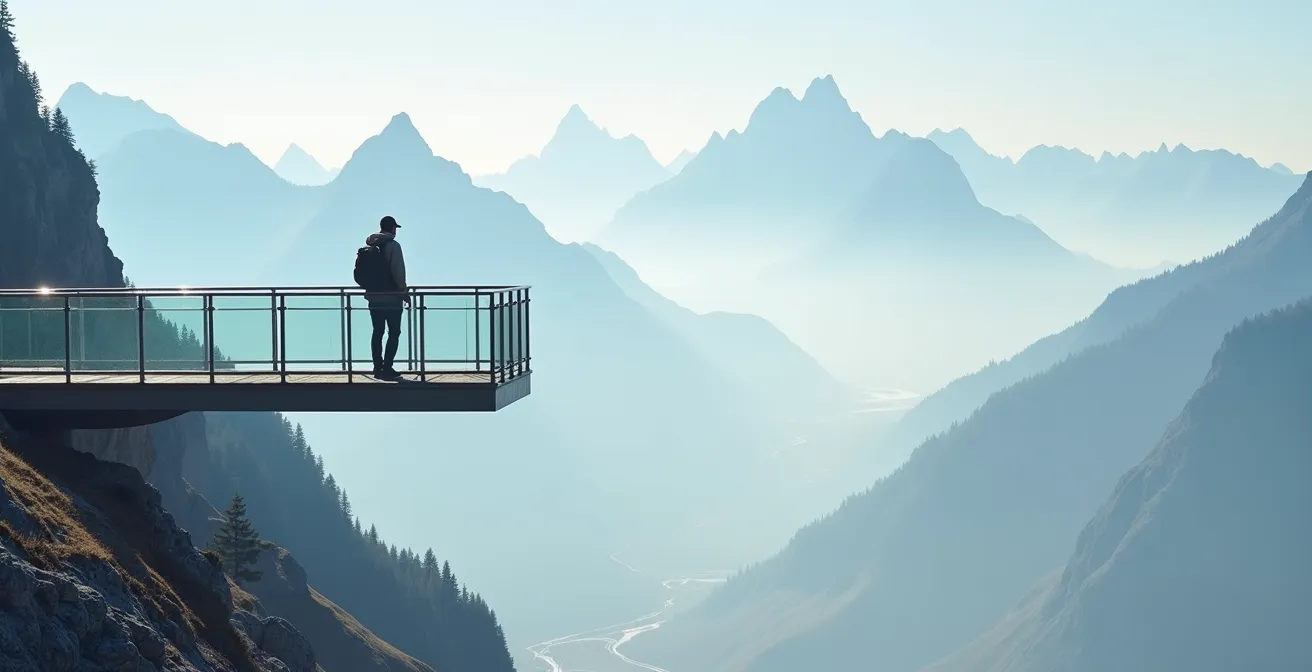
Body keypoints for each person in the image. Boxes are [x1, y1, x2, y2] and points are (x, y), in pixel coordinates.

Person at [363, 215, 408, 378]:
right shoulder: (393, 246)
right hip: (391, 298)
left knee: (377, 332)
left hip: (373, 297)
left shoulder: (370, 246)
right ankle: (387, 366)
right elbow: (398, 272)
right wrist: (404, 293)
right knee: (394, 331)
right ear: (393, 229)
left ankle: (377, 367)